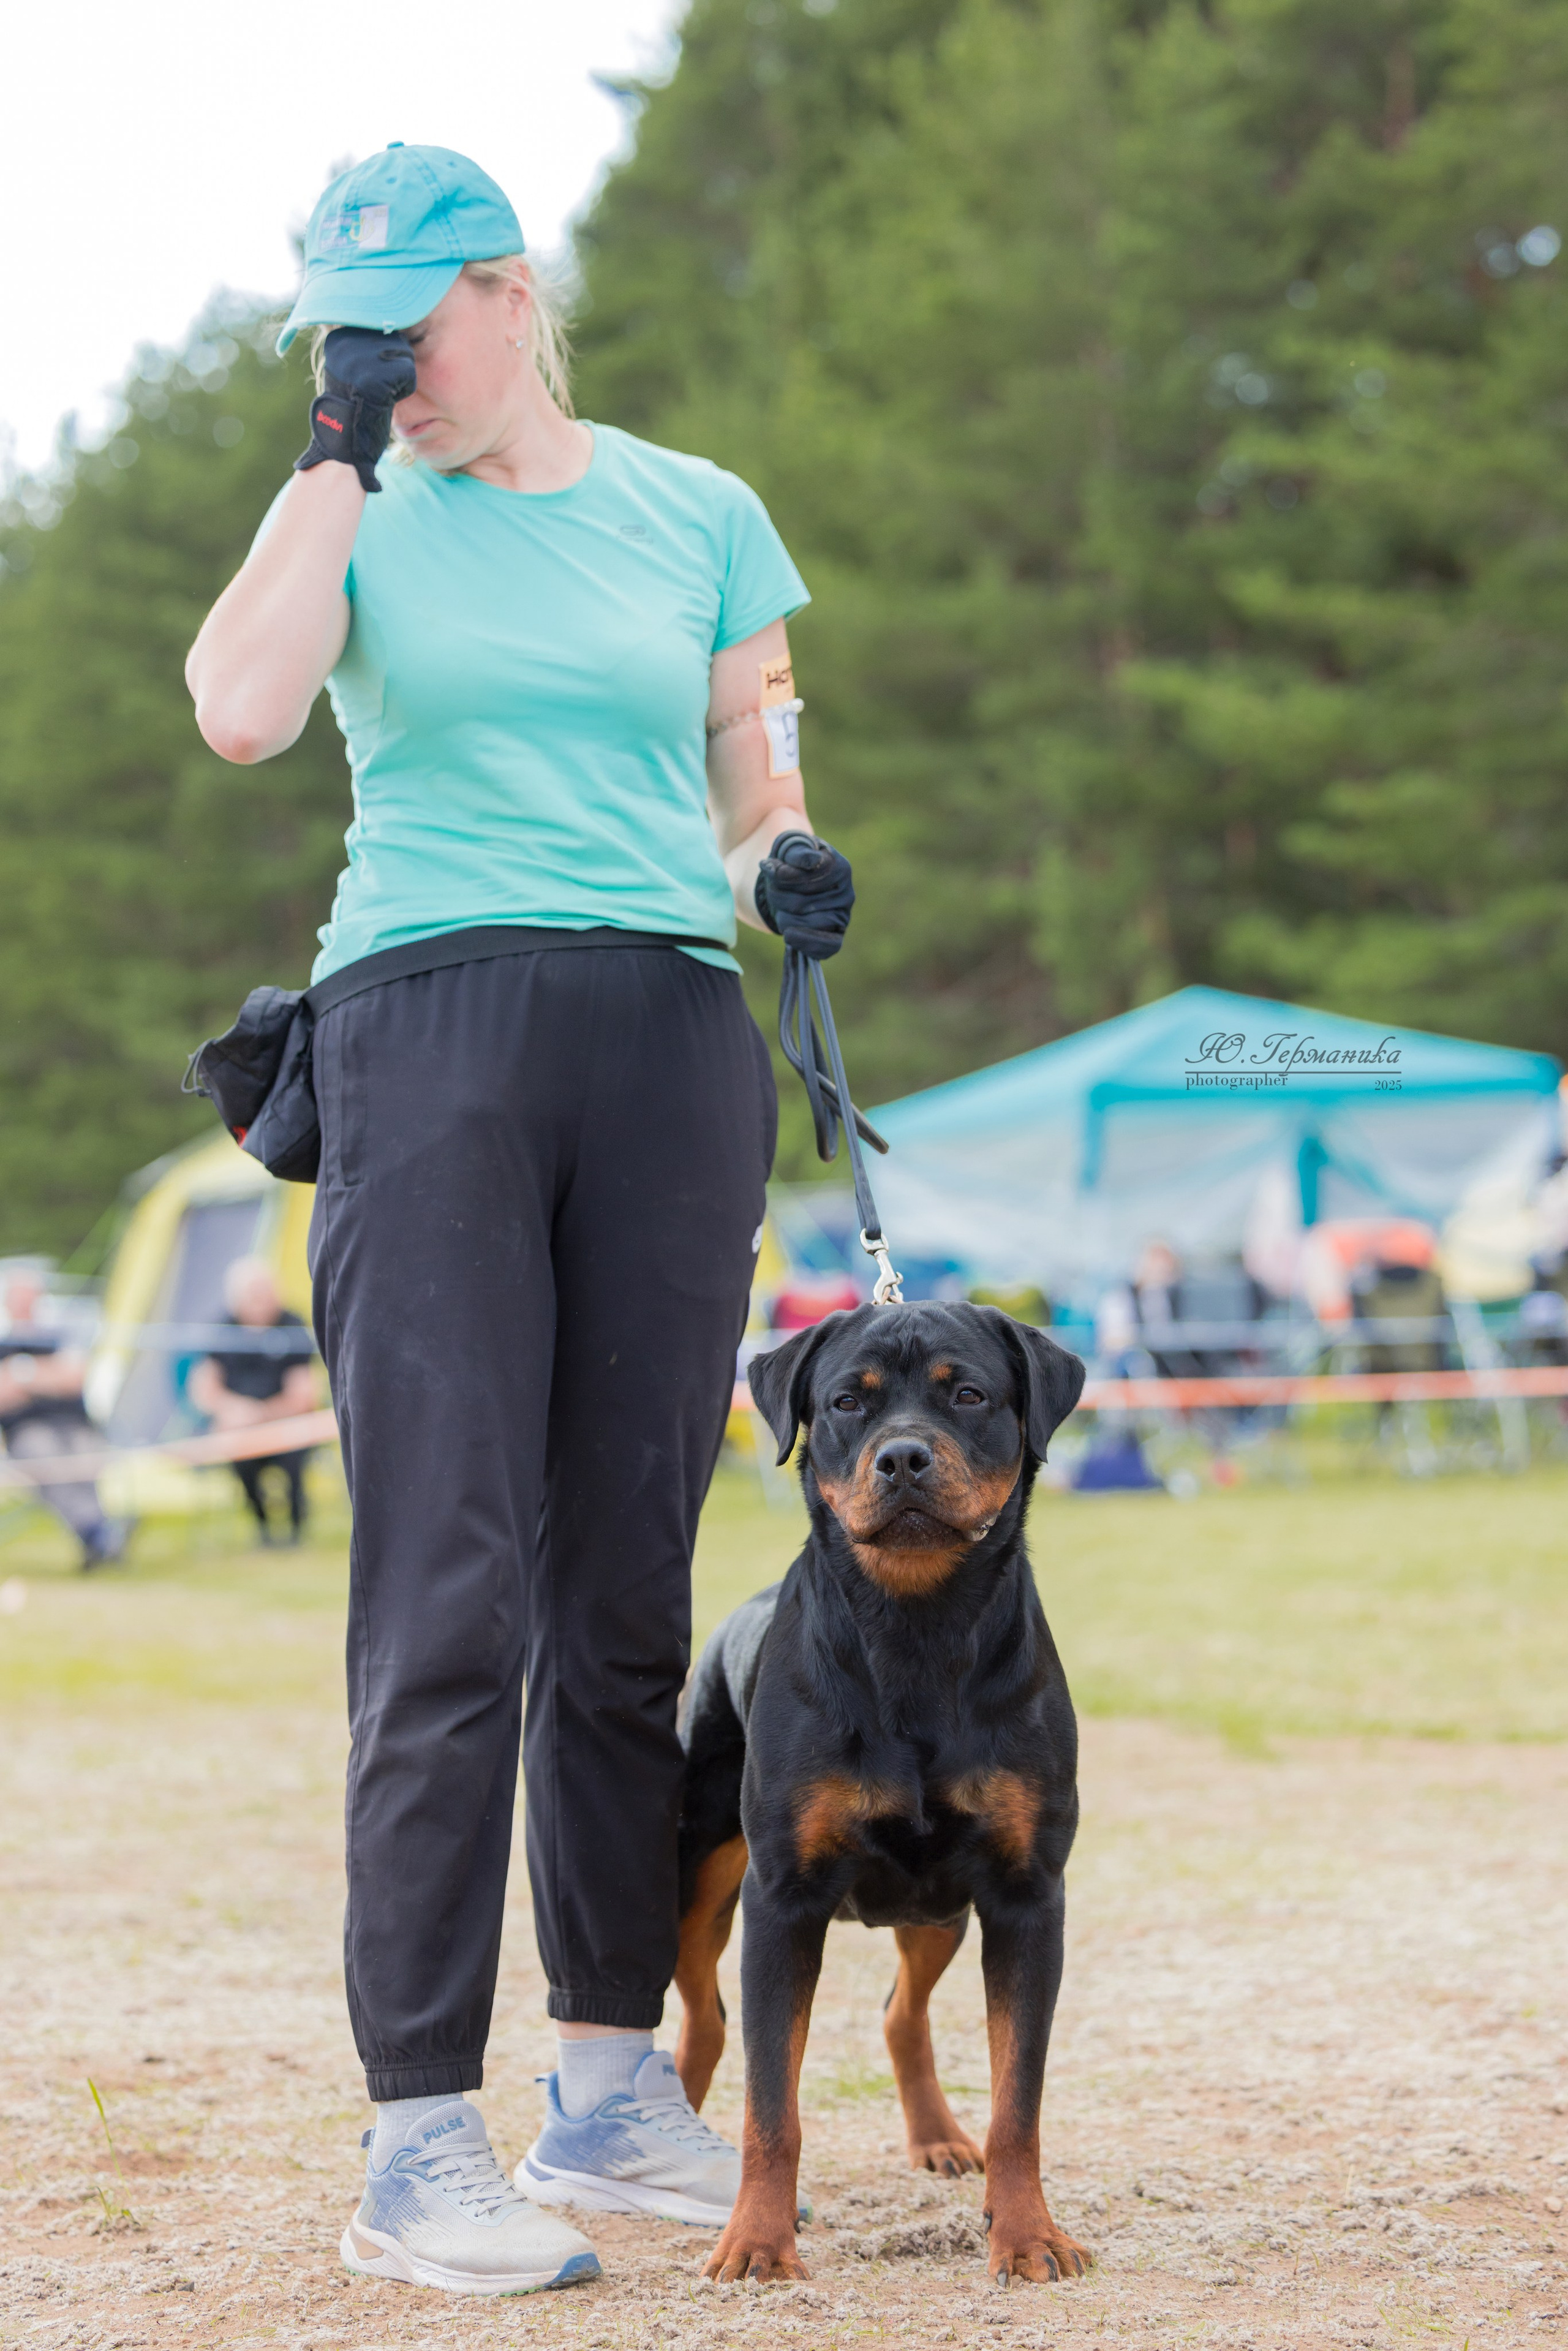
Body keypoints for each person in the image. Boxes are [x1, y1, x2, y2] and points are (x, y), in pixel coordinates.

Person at [185, 145, 855, 2299]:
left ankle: (605, 2077)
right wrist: (334, 454)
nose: (388, 366)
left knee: (625, 1584)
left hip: (666, 1031)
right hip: (430, 1027)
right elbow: (242, 709)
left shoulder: (700, 510)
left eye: (412, 325)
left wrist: (779, 867)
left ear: (510, 289)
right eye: (347, 335)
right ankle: (415, 2139)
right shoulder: (353, 505)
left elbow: (751, 777)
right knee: (450, 1585)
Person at [0, 1269, 127, 1571]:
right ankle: (99, 1531)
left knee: (85, 1458)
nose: (25, 1304)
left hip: (76, 1426)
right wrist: (47, 1375)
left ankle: (96, 1535)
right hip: (27, 1432)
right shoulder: (4, 1344)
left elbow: (74, 1378)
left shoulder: (58, 1336)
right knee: (48, 1460)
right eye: (19, 1298)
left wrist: (23, 1374)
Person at [188, 1259, 318, 1545]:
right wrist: (233, 1410)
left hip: (285, 1424)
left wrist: (264, 1414)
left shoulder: (293, 1326)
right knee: (240, 1456)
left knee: (295, 1454)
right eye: (253, 1294)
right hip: (242, 1428)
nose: (261, 1301)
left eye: (265, 1292)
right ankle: (263, 1526)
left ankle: (296, 1527)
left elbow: (304, 1393)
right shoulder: (222, 1329)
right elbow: (204, 1389)